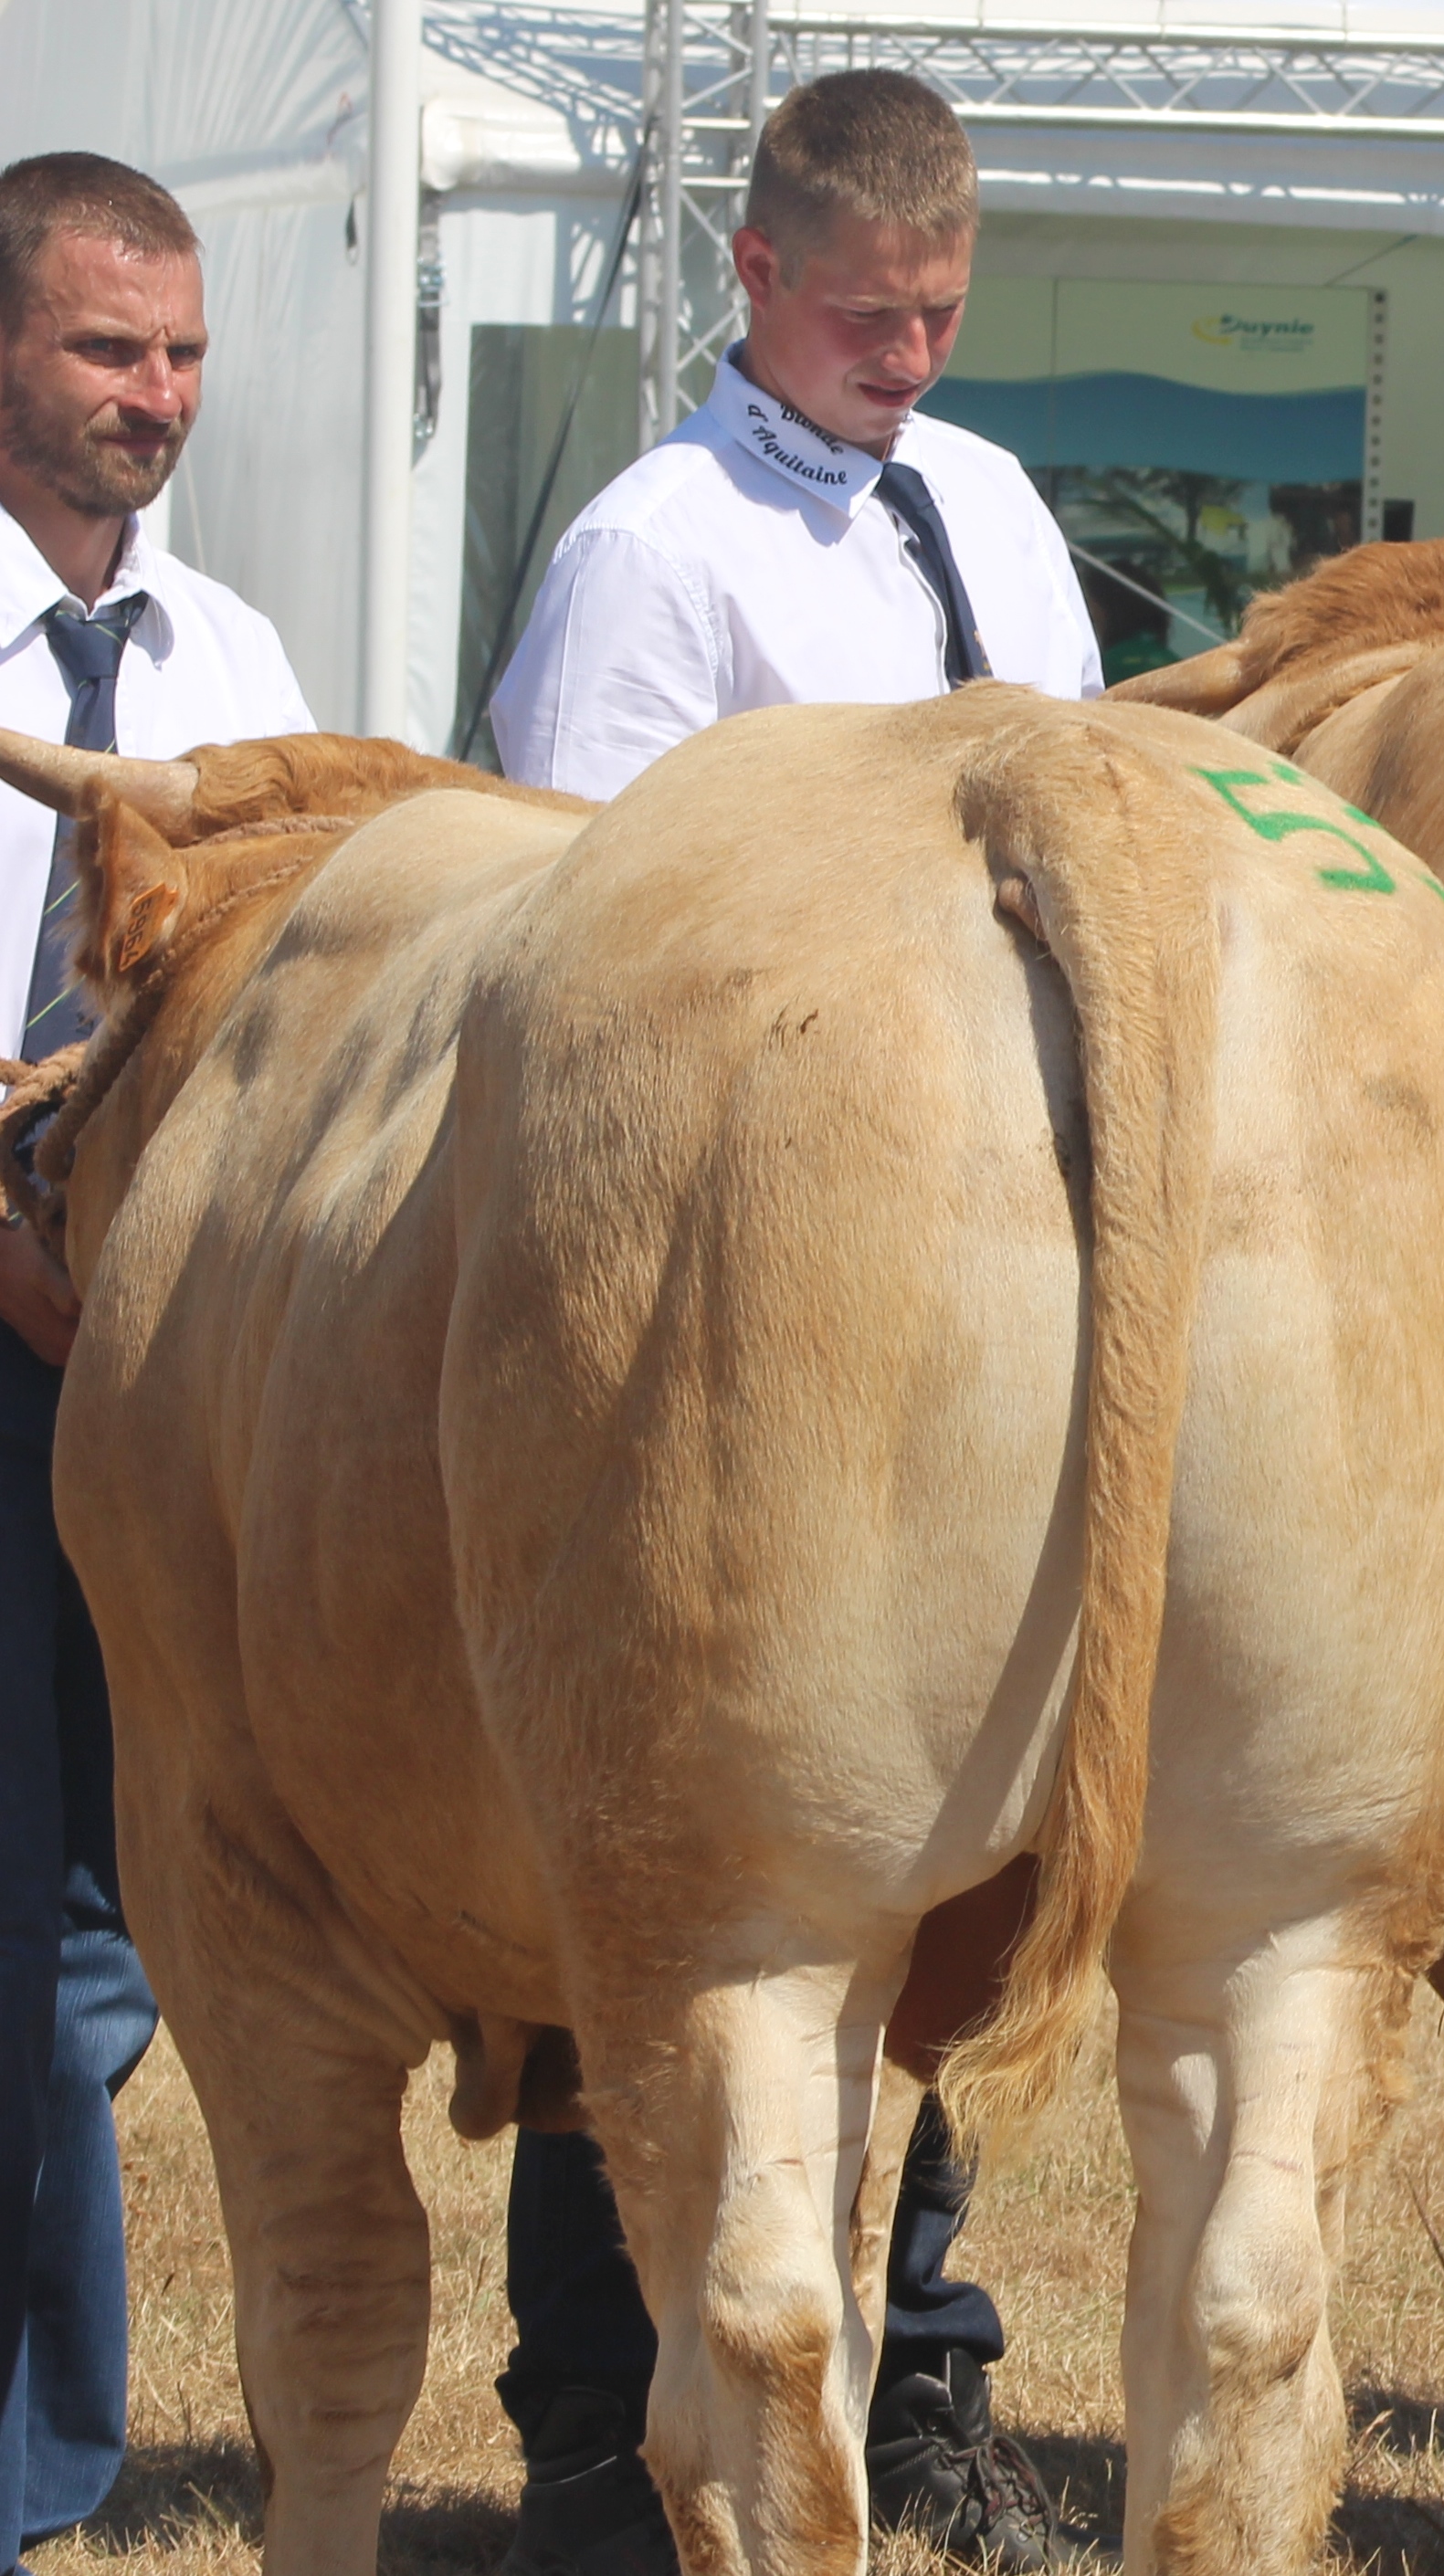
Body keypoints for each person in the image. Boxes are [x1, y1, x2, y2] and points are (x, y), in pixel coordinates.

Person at [479, 69, 1089, 2575]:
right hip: (715, 1285)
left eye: (940, 316)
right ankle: (590, 2407)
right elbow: (563, 910)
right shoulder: (657, 546)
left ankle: (917, 2365)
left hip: (974, 1259)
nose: (906, 360)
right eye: (864, 318)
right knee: (663, 1847)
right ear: (751, 274)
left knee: (935, 1836)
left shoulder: (993, 502)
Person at [0, 148, 308, 2571]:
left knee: (122, 1912)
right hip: (13, 1347)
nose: (158, 399)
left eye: (185, 353)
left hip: (157, 1369)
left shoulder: (234, 665)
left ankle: (52, 2453)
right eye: (112, 350)